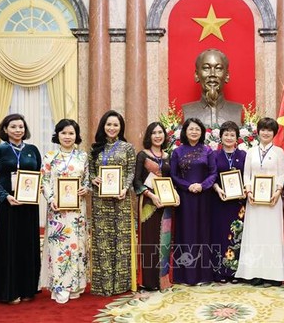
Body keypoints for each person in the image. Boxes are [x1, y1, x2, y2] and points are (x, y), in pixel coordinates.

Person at [0, 113, 42, 304]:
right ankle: (9, 291)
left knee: (28, 244)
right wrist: (5, 196)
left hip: (29, 206)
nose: (18, 130)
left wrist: (39, 187)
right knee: (9, 246)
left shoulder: (33, 150)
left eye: (21, 127)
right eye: (14, 127)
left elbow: (38, 174)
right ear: (5, 129)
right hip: (8, 205)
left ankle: (28, 289)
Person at [39, 119, 90, 304]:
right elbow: (44, 181)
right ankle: (60, 286)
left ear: (76, 135)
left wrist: (86, 188)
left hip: (77, 211)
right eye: (64, 133)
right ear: (57, 135)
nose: (67, 137)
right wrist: (51, 199)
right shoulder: (50, 156)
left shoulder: (82, 157)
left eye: (71, 133)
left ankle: (76, 285)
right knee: (59, 247)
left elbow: (87, 180)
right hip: (57, 211)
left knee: (77, 245)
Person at [235, 117, 284, 286]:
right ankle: (254, 272)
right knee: (255, 235)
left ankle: (273, 274)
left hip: (273, 200)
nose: (266, 133)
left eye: (269, 130)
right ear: (258, 131)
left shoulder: (279, 152)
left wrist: (278, 191)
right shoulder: (251, 151)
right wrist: (248, 190)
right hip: (254, 200)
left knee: (272, 234)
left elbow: (281, 174)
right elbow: (246, 174)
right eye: (263, 129)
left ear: (274, 133)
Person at [89, 110, 136, 296]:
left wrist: (125, 188)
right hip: (100, 201)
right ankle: (104, 285)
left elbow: (131, 171)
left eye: (116, 125)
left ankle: (121, 284)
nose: (112, 128)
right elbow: (91, 172)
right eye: (109, 124)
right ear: (103, 126)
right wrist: (94, 179)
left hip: (121, 200)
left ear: (121, 127)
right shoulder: (95, 149)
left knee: (121, 241)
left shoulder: (128, 148)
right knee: (102, 240)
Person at [170, 117, 217, 285]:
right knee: (186, 233)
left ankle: (204, 275)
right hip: (185, 197)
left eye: (197, 129)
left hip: (204, 197)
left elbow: (213, 173)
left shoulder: (208, 151)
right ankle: (185, 275)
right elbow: (173, 176)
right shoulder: (177, 152)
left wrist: (202, 185)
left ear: (202, 132)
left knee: (203, 232)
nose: (194, 132)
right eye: (191, 129)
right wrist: (188, 186)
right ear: (185, 131)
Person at [133, 122, 178, 290]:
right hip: (149, 203)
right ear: (149, 136)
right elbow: (136, 182)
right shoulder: (142, 155)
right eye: (154, 133)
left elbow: (170, 180)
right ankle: (148, 281)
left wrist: (176, 194)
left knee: (164, 241)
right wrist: (151, 195)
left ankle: (163, 281)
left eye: (160, 132)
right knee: (149, 241)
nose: (158, 136)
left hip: (165, 203)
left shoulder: (168, 156)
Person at [211, 121, 247, 283]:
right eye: (226, 134)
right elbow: (211, 176)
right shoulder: (214, 156)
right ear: (220, 137)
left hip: (238, 204)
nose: (229, 137)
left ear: (237, 138)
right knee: (219, 235)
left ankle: (235, 272)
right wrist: (218, 189)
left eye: (232, 134)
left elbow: (248, 177)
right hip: (219, 201)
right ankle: (219, 272)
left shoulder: (243, 156)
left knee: (236, 236)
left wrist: (245, 190)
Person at [182, 49, 243, 126]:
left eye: (218, 68)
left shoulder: (237, 110)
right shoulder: (187, 110)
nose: (212, 74)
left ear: (227, 75)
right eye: (206, 68)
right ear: (197, 75)